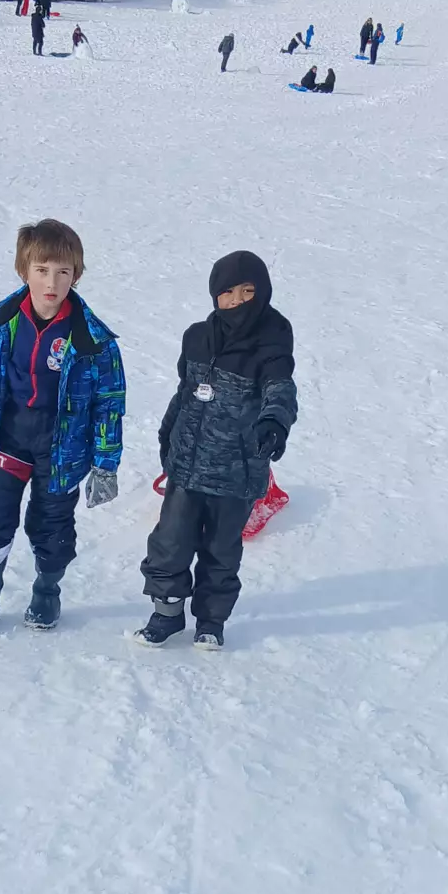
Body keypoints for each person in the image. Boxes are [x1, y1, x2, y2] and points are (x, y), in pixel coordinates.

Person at [0, 218, 125, 637]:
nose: (52, 282)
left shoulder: (93, 341)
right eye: (42, 270)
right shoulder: (3, 321)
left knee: (52, 527)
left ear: (76, 276)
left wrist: (106, 464)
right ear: (24, 270)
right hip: (9, 439)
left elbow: (109, 405)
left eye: (63, 272)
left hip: (60, 449)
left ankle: (47, 591)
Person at [139, 250, 297, 650]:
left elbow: (281, 387)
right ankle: (166, 614)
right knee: (169, 543)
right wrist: (168, 433)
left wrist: (274, 422)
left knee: (221, 553)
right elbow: (184, 392)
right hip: (188, 467)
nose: (238, 302)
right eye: (228, 293)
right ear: (215, 296)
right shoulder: (197, 337)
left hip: (236, 473)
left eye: (248, 292)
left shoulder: (273, 339)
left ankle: (211, 621)